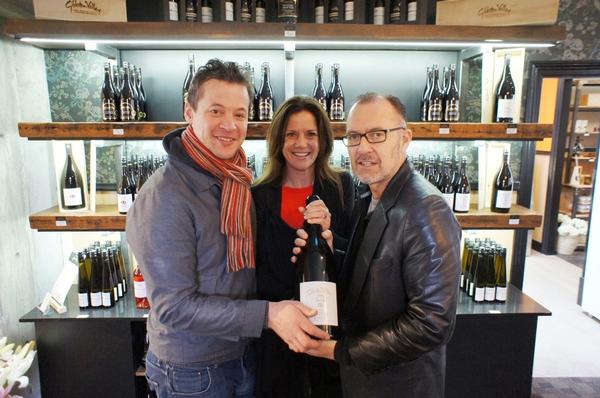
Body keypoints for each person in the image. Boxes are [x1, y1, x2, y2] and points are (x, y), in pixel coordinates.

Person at [126, 59, 329, 398]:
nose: (230, 126)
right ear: (189, 112)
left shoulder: (233, 179)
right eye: (216, 111)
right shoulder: (166, 195)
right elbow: (173, 307)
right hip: (192, 369)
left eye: (239, 114)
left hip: (239, 353)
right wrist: (269, 314)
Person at [293, 93, 461, 398]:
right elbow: (374, 265)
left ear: (405, 139)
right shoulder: (370, 194)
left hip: (398, 386)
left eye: (377, 135)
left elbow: (432, 323)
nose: (363, 147)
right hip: (363, 382)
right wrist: (333, 247)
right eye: (354, 136)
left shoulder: (426, 209)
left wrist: (341, 351)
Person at [252, 96, 355, 398]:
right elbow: (253, 269)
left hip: (328, 333)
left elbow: (355, 258)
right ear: (278, 141)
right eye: (291, 134)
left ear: (323, 139)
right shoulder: (258, 196)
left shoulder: (341, 186)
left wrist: (330, 236)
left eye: (311, 134)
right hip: (277, 337)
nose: (302, 143)